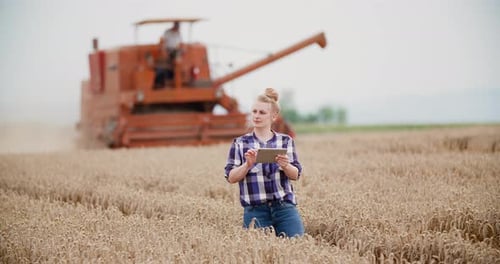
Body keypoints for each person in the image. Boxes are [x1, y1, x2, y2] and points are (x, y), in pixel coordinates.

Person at [224, 88, 305, 238]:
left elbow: (296, 175)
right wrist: (247, 165)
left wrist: (286, 165)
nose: (256, 116)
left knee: (298, 247)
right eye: (254, 111)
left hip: (285, 209)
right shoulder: (240, 143)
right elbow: (231, 177)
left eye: (262, 112)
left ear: (274, 116)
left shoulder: (285, 141)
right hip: (255, 212)